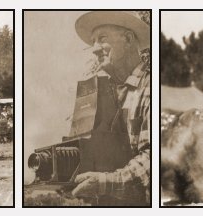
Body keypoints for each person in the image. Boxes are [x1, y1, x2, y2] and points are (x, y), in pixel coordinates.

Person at [70, 11, 150, 206]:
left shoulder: (149, 87)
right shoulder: (109, 92)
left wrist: (106, 183)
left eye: (102, 39)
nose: (95, 49)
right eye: (93, 41)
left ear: (128, 39)